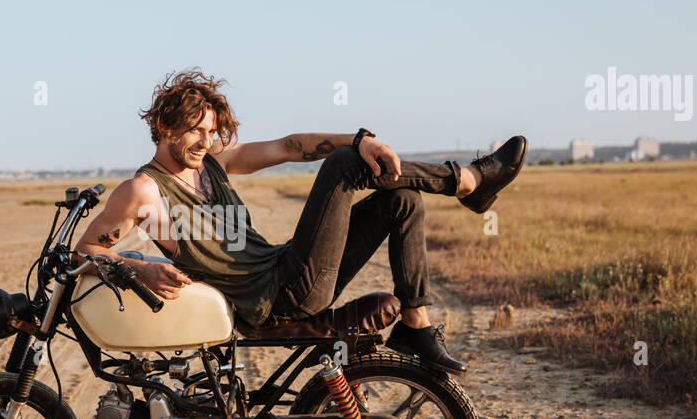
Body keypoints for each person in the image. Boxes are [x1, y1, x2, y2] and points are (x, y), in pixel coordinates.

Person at [74, 68, 526, 372]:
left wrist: (358, 137)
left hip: (286, 267)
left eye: (211, 131)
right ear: (166, 127)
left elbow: (289, 147)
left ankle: (416, 327)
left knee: (402, 200)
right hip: (275, 298)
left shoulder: (210, 162)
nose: (204, 140)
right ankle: (467, 180)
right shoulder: (144, 191)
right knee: (344, 166)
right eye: (195, 130)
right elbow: (86, 250)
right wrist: (143, 268)